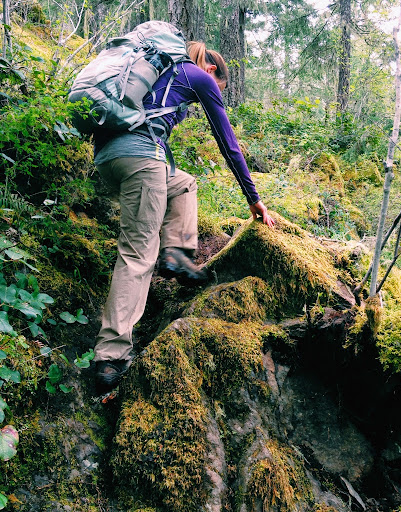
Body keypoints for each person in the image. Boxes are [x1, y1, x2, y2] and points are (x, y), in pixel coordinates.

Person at [93, 40, 275, 394]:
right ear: (212, 71)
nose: (214, 91)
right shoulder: (198, 76)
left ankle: (177, 252)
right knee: (136, 256)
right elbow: (228, 142)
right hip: (142, 159)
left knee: (183, 183)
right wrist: (253, 198)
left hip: (109, 159)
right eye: (218, 86)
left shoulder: (157, 72)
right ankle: (110, 357)